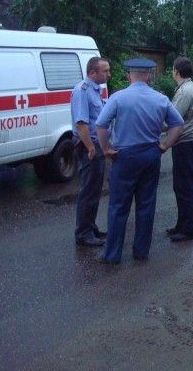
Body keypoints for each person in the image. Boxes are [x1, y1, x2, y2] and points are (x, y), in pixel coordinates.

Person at [96, 59, 184, 264]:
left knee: (118, 206)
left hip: (124, 156)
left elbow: (101, 125)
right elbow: (177, 124)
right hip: (150, 155)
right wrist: (165, 146)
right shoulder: (160, 99)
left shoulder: (118, 98)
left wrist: (106, 149)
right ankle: (141, 251)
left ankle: (112, 255)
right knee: (146, 204)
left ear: (129, 76)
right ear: (148, 76)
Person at [71, 57, 111, 247]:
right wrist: (90, 147)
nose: (109, 74)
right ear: (93, 72)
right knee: (88, 190)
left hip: (97, 146)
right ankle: (83, 233)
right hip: (90, 147)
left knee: (95, 189)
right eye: (105, 71)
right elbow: (81, 123)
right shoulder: (82, 90)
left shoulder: (96, 91)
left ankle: (90, 226)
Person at [166, 57, 193, 243]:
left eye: (172, 69)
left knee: (185, 187)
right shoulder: (189, 88)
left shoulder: (185, 92)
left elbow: (172, 119)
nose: (172, 72)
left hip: (186, 143)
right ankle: (182, 225)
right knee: (182, 186)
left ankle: (188, 229)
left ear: (176, 71)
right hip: (190, 141)